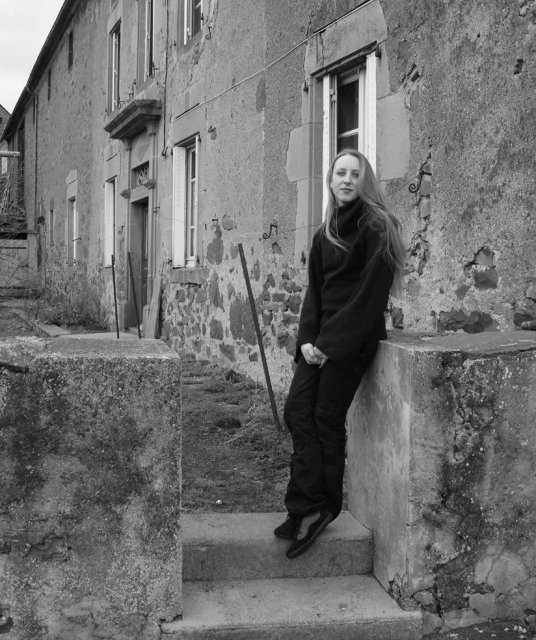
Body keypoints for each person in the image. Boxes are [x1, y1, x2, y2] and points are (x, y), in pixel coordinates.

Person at [276, 148, 405, 559]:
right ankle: (304, 503)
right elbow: (315, 293)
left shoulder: (378, 227)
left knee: (325, 417)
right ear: (330, 181)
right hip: (320, 341)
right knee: (298, 412)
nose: (346, 180)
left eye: (354, 173)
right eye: (340, 173)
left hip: (354, 339)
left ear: (365, 181)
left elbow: (369, 298)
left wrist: (330, 345)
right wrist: (307, 341)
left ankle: (321, 507)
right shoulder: (324, 233)